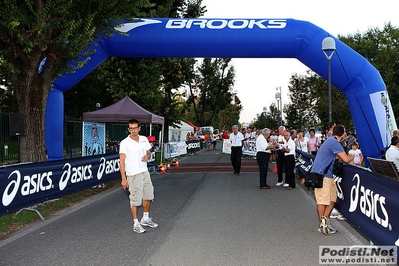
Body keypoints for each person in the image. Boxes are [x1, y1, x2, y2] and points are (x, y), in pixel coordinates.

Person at [306, 124, 354, 235]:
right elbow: (346, 159)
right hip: (322, 175)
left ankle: (325, 221)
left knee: (332, 198)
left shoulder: (331, 141)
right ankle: (323, 225)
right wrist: (352, 156)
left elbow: (335, 156)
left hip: (327, 175)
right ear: (342, 133)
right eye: (345, 132)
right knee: (323, 200)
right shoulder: (334, 142)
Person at [119, 119, 158, 234]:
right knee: (135, 200)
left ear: (139, 128)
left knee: (148, 195)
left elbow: (149, 152)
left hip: (144, 172)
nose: (133, 130)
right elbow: (121, 162)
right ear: (128, 129)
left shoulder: (143, 139)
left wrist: (147, 156)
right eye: (131, 128)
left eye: (135, 128)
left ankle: (145, 218)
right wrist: (123, 178)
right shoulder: (124, 143)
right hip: (133, 174)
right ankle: (136, 224)